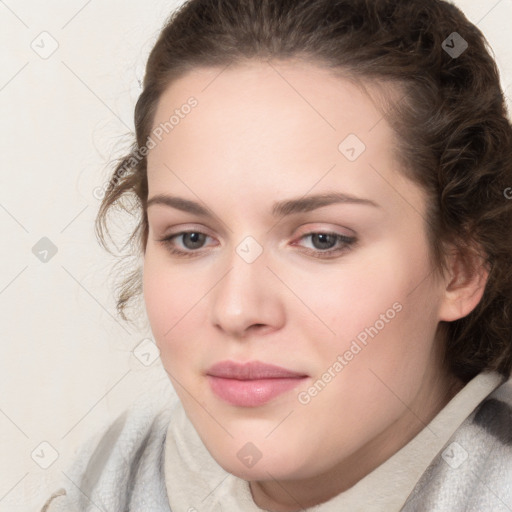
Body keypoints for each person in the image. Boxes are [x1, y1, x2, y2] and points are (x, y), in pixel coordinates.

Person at [41, 0, 512, 510]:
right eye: (191, 238)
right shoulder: (110, 478)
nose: (237, 310)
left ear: (461, 269)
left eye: (322, 239)